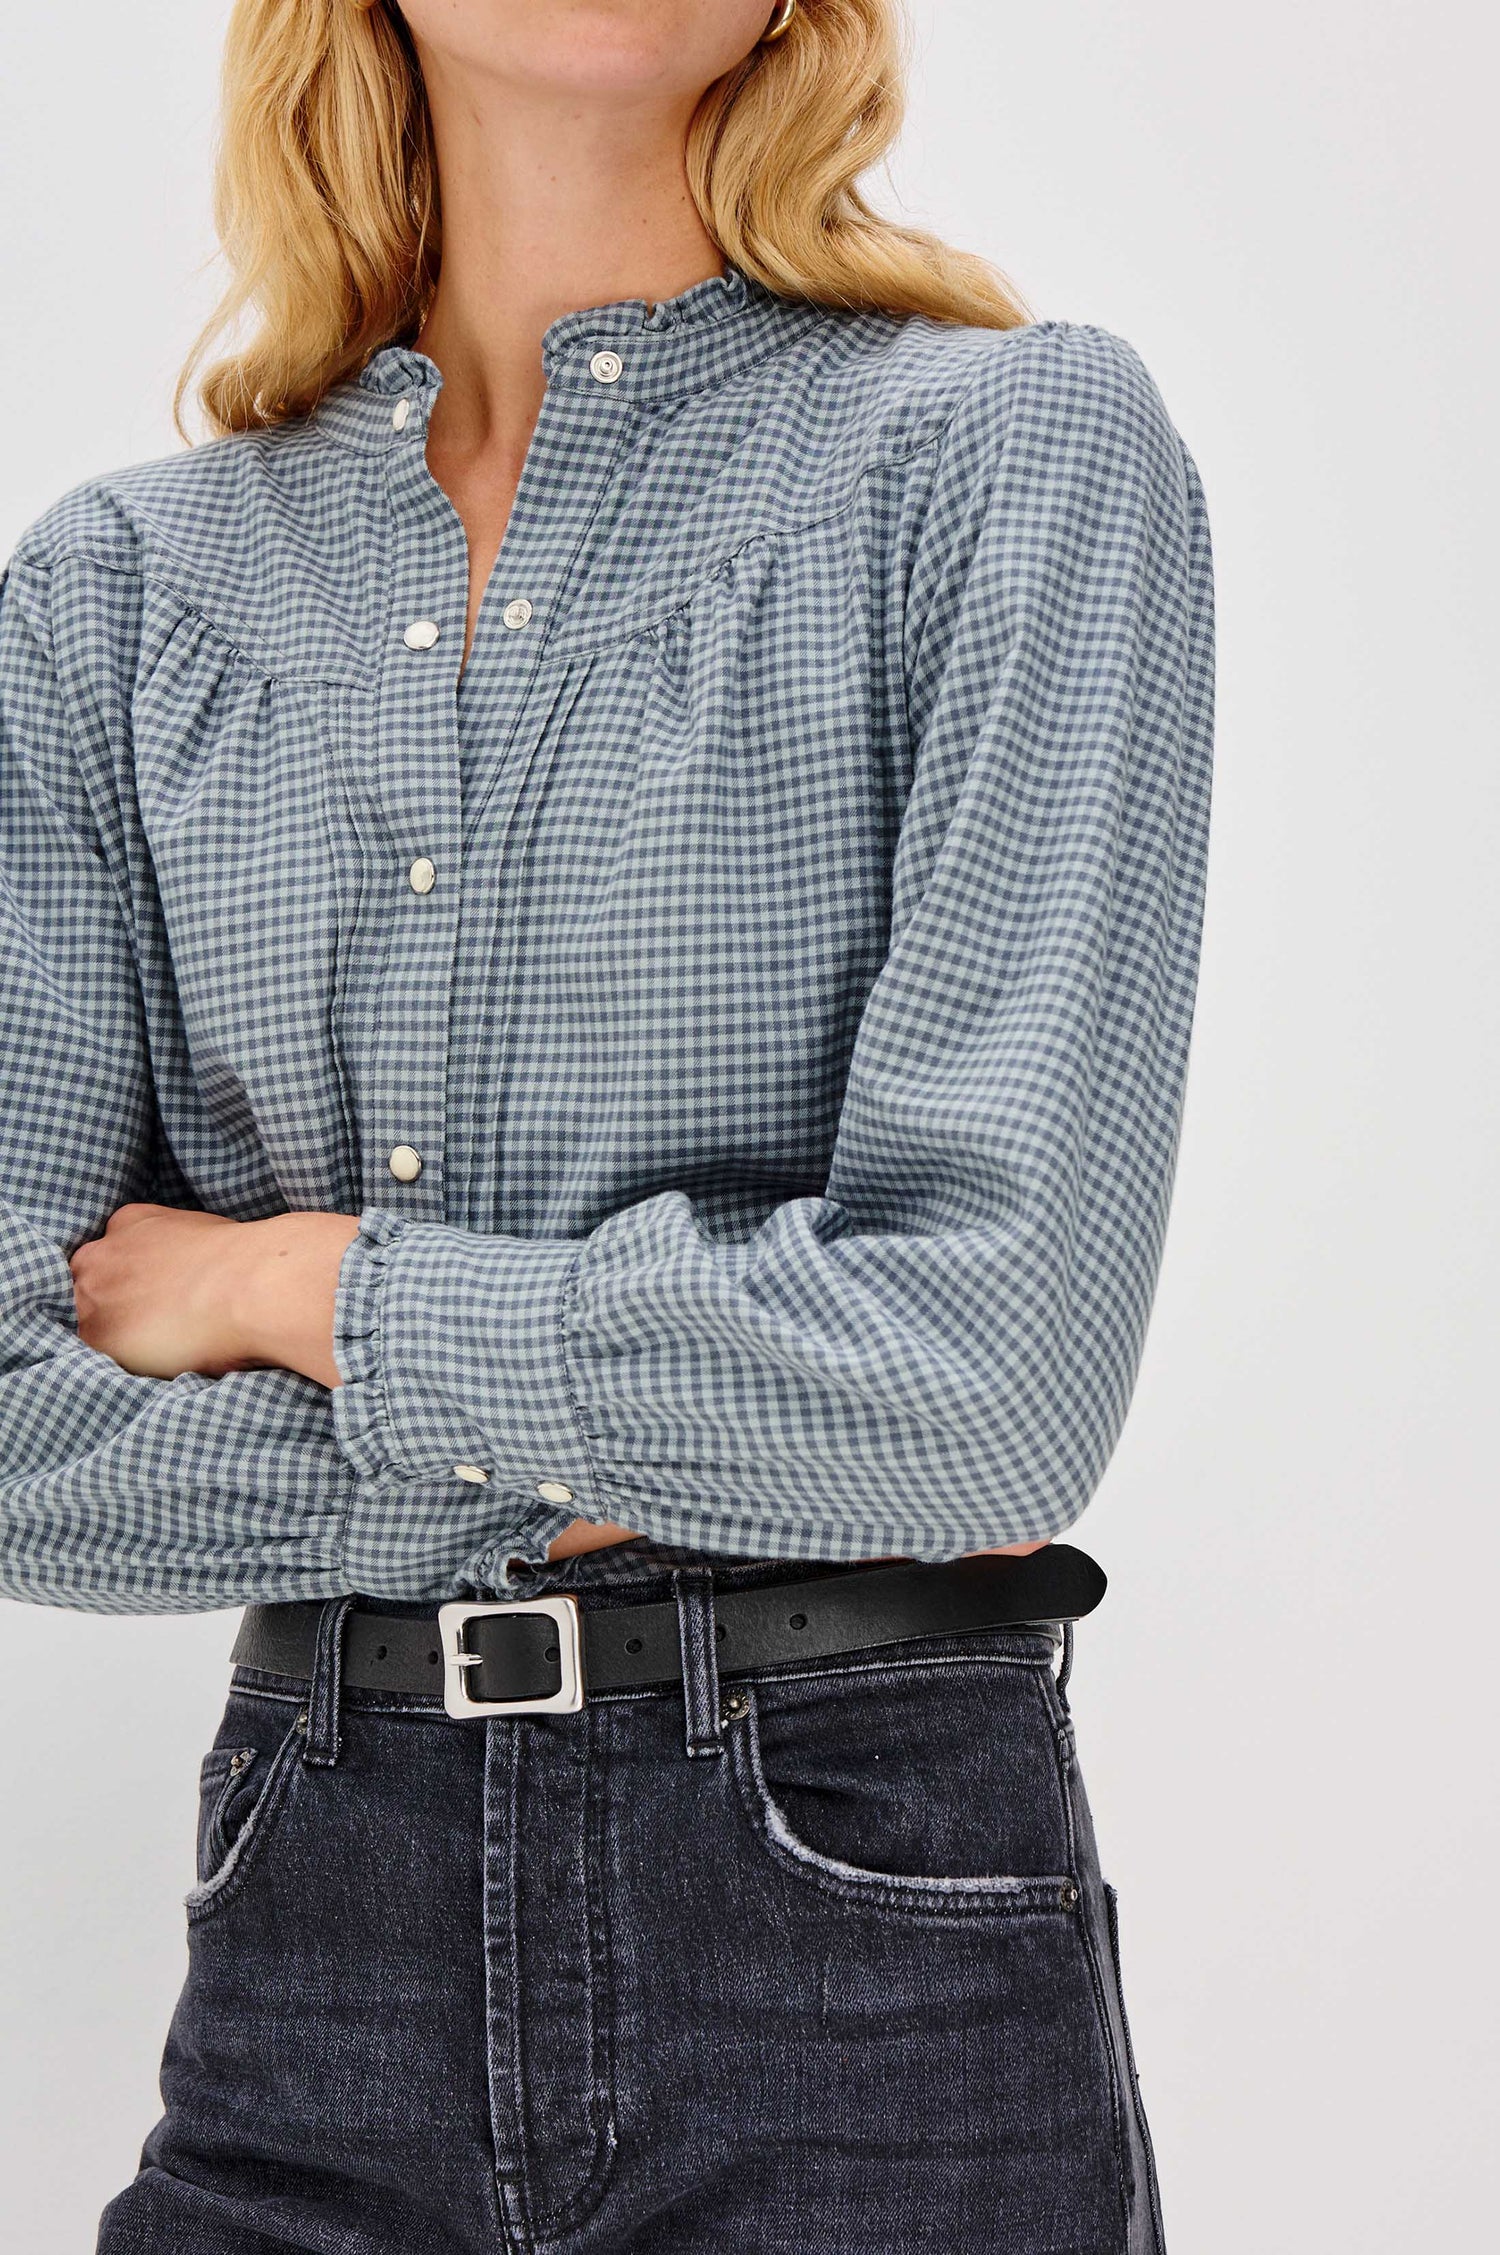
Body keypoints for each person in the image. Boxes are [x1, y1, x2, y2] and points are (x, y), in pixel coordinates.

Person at [0, 2, 1211, 2247]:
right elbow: (6, 1425)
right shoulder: (114, 598)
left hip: (866, 1914)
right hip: (310, 1913)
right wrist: (702, 1411)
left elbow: (983, 1397)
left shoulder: (1011, 454)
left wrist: (306, 1288)